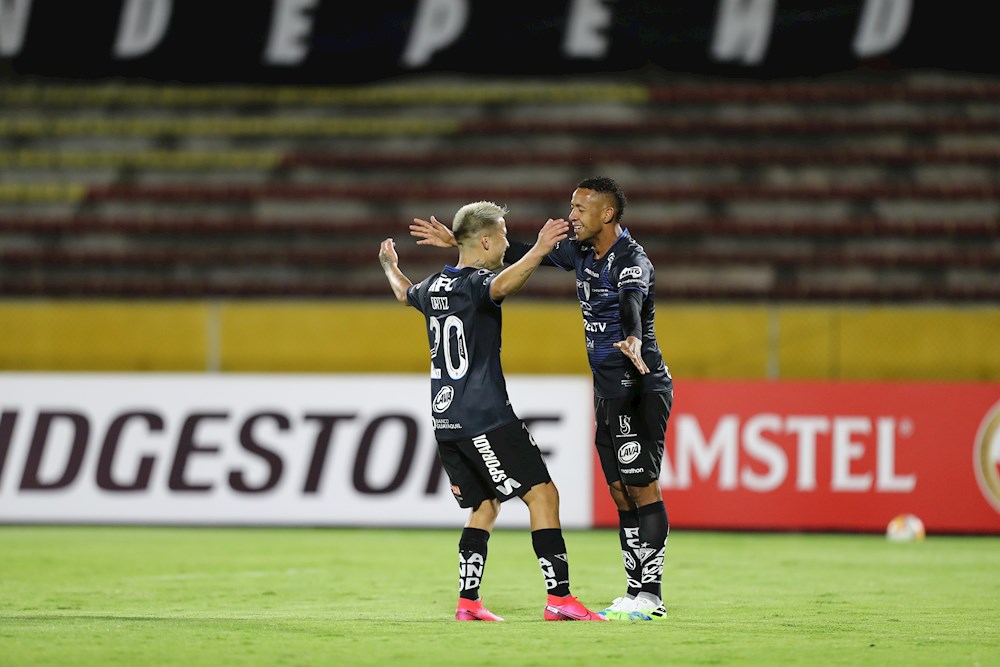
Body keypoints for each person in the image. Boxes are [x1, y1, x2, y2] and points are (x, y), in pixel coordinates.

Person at [410, 177, 673, 622]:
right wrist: (460, 242)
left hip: (640, 386)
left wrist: (631, 336)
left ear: (607, 214)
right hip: (607, 389)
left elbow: (632, 300)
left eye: (580, 208)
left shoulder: (632, 259)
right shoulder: (582, 253)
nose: (571, 215)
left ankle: (650, 593)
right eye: (571, 206)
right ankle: (632, 590)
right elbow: (509, 254)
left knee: (642, 487)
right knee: (619, 490)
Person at [379, 200, 606, 622]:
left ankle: (468, 602)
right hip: (484, 416)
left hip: (445, 421)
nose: (506, 241)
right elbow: (499, 286)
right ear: (486, 239)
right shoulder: (479, 282)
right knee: (543, 495)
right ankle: (559, 599)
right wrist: (538, 250)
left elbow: (401, 290)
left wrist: (389, 264)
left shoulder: (432, 286)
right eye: (502, 234)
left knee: (483, 506)